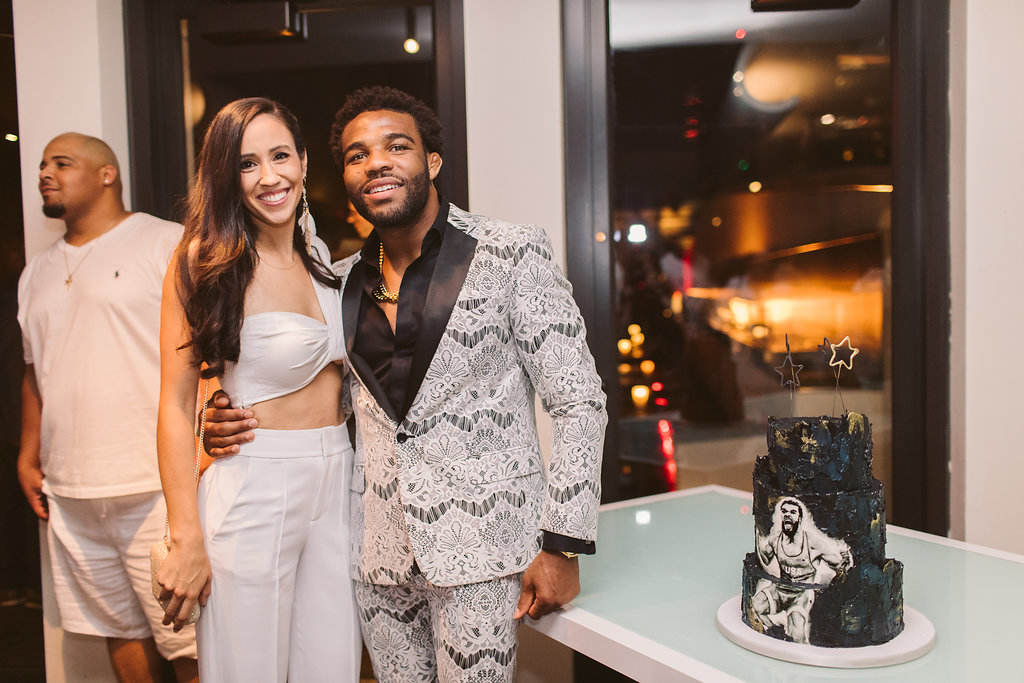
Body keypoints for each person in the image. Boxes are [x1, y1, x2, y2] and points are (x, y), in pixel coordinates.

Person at [205, 86, 607, 681]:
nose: (377, 163)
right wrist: (221, 415)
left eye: (397, 146)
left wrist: (563, 542)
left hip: (484, 550)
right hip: (377, 557)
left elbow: (578, 400)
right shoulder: (340, 281)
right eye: (357, 155)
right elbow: (327, 396)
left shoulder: (511, 252)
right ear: (345, 177)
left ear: (431, 161)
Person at [155, 98, 360, 682]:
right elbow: (174, 405)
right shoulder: (203, 262)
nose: (270, 177)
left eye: (280, 156)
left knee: (334, 669)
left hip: (338, 482)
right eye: (248, 164)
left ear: (303, 161)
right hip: (254, 485)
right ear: (225, 175)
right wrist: (184, 535)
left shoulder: (317, 254)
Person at [17, 133, 198, 681]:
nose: (45, 174)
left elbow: (208, 354)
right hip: (71, 491)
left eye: (62, 163)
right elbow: (35, 370)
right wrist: (28, 453)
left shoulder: (164, 243)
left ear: (106, 174)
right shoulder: (36, 271)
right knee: (118, 629)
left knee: (190, 640)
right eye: (42, 165)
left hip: (155, 483)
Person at [753, 497, 853, 643]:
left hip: (801, 594)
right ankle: (776, 629)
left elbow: (839, 562)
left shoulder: (812, 542)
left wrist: (844, 558)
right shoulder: (775, 539)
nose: (787, 515)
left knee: (797, 628)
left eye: (792, 512)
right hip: (780, 590)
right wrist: (759, 535)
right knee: (755, 605)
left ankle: (798, 648)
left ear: (800, 518)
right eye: (784, 511)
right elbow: (764, 557)